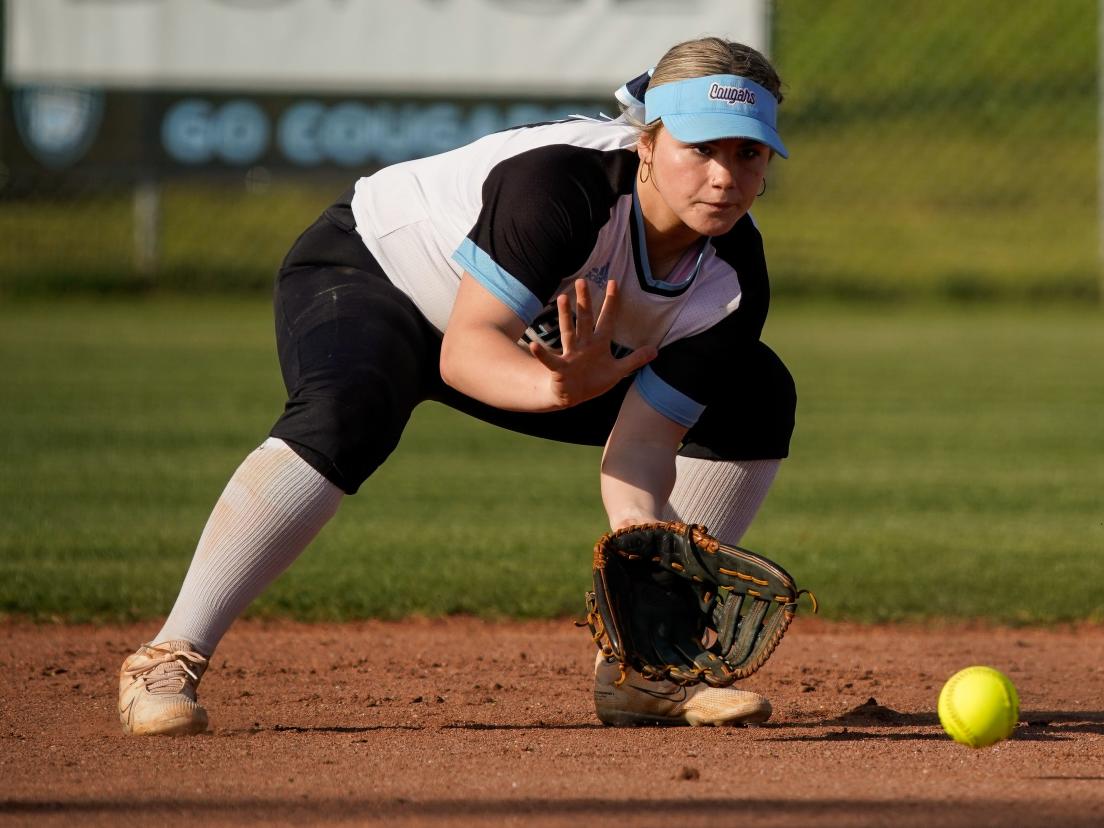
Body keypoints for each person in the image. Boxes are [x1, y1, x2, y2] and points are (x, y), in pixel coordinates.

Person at [117, 36, 797, 735]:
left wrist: (644, 549)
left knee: (754, 393)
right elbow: (466, 351)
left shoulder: (732, 282)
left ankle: (646, 666)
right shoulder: (562, 188)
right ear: (648, 143)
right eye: (701, 148)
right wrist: (563, 389)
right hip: (375, 273)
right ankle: (167, 658)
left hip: (535, 347)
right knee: (349, 410)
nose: (724, 176)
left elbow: (642, 449)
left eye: (747, 153)